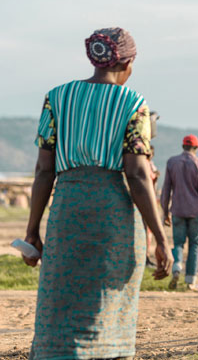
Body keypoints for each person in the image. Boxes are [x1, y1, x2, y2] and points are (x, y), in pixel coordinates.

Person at [22, 27, 172, 359]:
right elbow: (137, 173)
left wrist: (32, 231)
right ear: (129, 62)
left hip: (66, 212)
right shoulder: (133, 102)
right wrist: (160, 237)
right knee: (108, 300)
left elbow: (44, 170)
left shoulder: (56, 98)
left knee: (61, 297)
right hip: (113, 216)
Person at [161, 134, 198, 290]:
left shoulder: (172, 162)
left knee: (178, 243)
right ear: (196, 148)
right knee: (194, 245)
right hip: (194, 211)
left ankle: (177, 267)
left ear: (183, 146)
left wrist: (165, 212)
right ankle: (190, 280)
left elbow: (166, 190)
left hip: (177, 210)